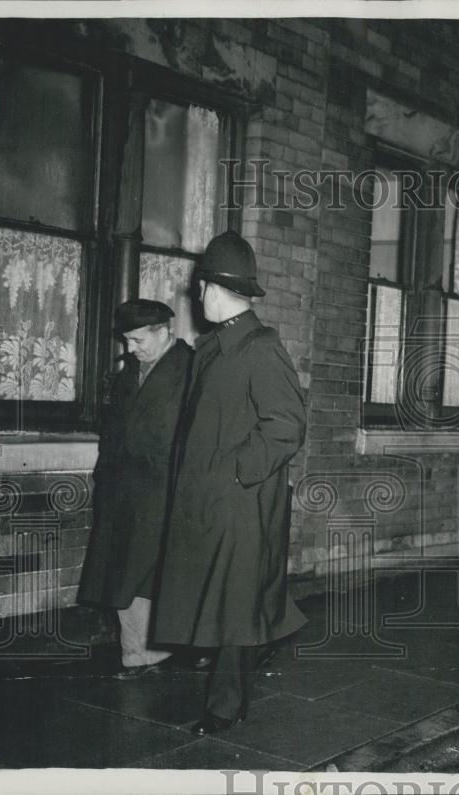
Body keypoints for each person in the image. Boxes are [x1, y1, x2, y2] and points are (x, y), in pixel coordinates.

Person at [152, 230, 308, 735]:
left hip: (241, 501)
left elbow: (287, 426)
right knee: (222, 598)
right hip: (209, 500)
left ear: (212, 288)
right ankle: (231, 684)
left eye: (200, 289)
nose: (198, 298)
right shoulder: (213, 347)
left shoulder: (259, 348)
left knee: (236, 601)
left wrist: (235, 470)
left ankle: (225, 706)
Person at [78, 299, 192, 679]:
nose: (131, 349)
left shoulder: (192, 369)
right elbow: (112, 432)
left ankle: (176, 646)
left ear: (165, 332)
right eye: (128, 340)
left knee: (153, 572)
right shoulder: (129, 372)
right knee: (124, 571)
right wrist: (104, 478)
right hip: (122, 489)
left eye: (138, 340)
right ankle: (140, 652)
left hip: (166, 488)